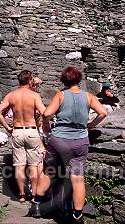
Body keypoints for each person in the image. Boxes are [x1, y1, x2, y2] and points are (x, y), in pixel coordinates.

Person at [30, 66, 108, 222]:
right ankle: (77, 216)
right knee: (78, 178)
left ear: (63, 80)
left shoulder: (61, 95)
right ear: (79, 80)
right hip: (79, 140)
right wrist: (91, 125)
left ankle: (37, 205)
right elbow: (103, 113)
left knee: (49, 172)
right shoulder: (89, 96)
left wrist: (46, 123)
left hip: (59, 139)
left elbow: (46, 113)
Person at [0, 70, 46, 203]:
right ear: (29, 80)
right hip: (31, 130)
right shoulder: (34, 95)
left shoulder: (11, 95)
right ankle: (34, 194)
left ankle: (22, 195)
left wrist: (7, 127)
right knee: (34, 165)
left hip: (17, 130)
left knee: (19, 165)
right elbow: (44, 112)